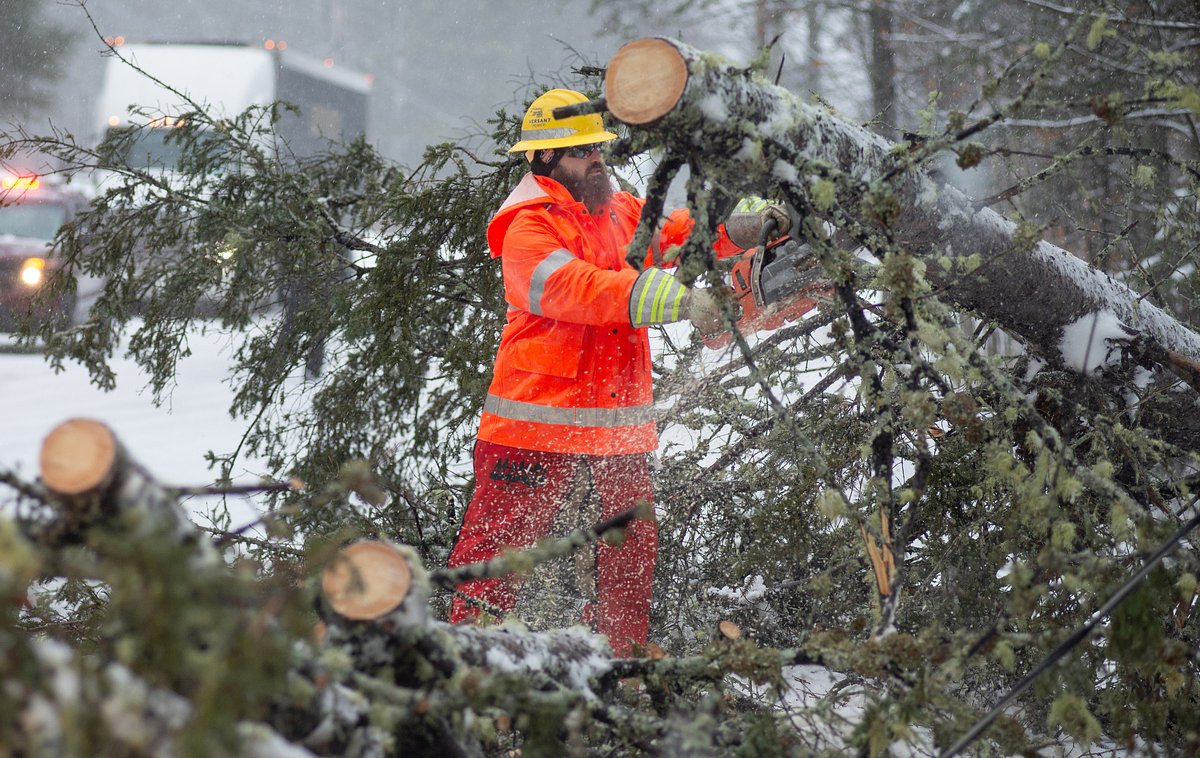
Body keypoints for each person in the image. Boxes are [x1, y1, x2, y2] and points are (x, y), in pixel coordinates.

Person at [446, 88, 788, 656]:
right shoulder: (528, 230)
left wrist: (734, 229)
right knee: (495, 562)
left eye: (598, 148)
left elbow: (675, 235)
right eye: (581, 151)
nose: (597, 159)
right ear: (545, 160)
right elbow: (583, 289)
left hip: (618, 435)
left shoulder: (620, 211)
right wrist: (680, 301)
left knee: (627, 565)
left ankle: (618, 673)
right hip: (534, 432)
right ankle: (461, 664)